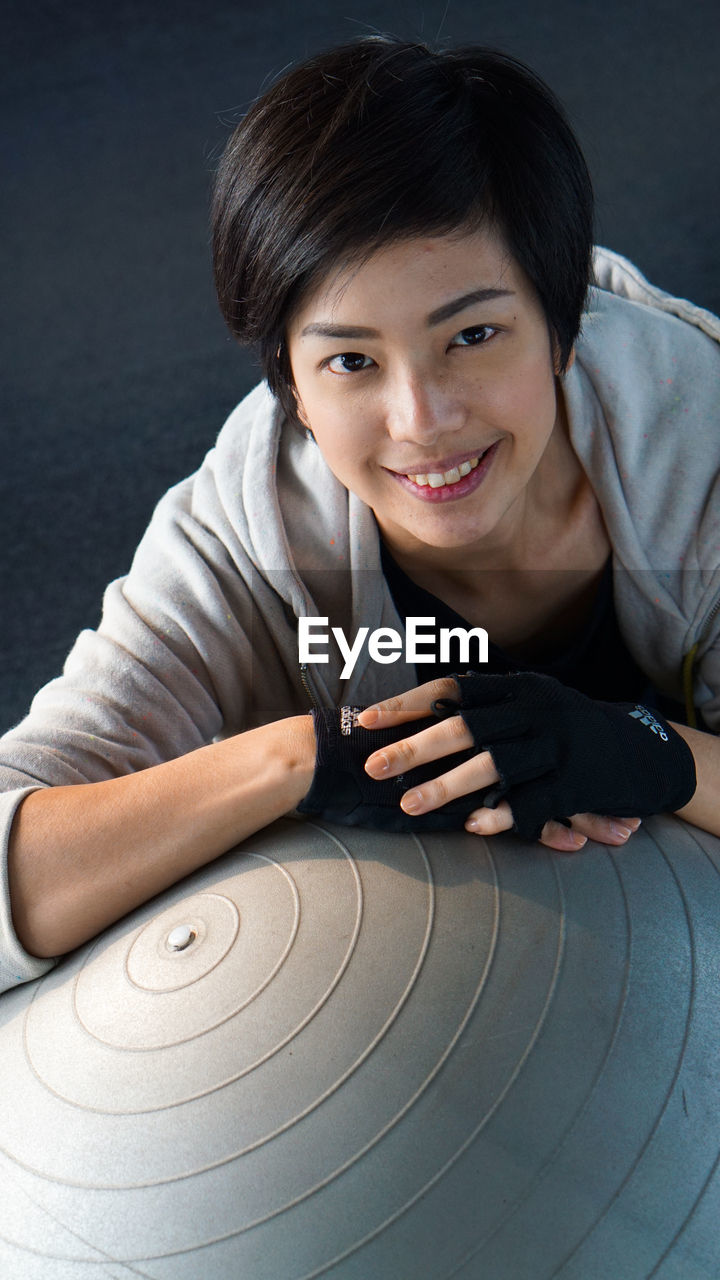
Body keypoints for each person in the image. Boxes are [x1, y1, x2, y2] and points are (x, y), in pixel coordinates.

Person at [1, 36, 718, 992]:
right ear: (292, 388)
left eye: (472, 335)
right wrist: (296, 759)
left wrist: (658, 755)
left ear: (561, 328)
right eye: (351, 361)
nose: (422, 421)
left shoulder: (702, 446)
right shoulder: (241, 535)